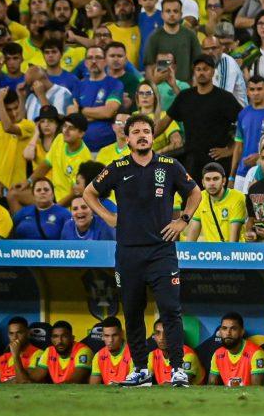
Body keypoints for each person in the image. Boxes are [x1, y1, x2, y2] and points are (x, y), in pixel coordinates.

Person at [85, 114, 202, 387]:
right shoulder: (117, 167)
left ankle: (177, 369)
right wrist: (109, 217)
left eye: (146, 131)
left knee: (171, 310)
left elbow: (195, 193)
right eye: (136, 131)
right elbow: (89, 193)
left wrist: (182, 220)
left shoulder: (169, 165)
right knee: (133, 312)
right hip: (128, 252)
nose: (141, 135)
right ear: (127, 138)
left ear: (152, 136)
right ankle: (140, 369)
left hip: (162, 251)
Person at [159, 54, 242, 186]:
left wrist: (230, 149)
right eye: (198, 69)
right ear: (194, 72)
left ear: (213, 72)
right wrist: (147, 137)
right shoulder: (185, 97)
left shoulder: (225, 98)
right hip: (192, 161)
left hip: (217, 163)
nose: (201, 72)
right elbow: (165, 122)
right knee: (191, 202)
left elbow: (244, 123)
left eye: (205, 69)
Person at [18, 113, 93, 208]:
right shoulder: (59, 139)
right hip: (52, 194)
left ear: (81, 133)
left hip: (68, 206)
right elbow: (46, 164)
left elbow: (75, 193)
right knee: (14, 194)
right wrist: (28, 181)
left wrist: (55, 209)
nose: (66, 130)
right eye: (65, 126)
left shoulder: (84, 160)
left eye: (72, 128)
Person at [230, 76, 264, 191]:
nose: (255, 93)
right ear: (247, 91)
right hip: (242, 171)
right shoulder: (243, 114)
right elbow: (238, 146)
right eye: (252, 89)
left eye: (259, 89)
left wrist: (260, 156)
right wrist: (231, 176)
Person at [67, 46, 123, 152]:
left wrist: (80, 110)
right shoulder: (78, 85)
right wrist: (98, 114)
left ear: (105, 61)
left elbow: (108, 112)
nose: (93, 61)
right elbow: (71, 115)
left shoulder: (115, 84)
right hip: (82, 149)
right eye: (90, 58)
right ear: (85, 62)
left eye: (98, 57)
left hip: (107, 147)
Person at [0, 88, 34, 196]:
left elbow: (8, 127)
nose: (14, 113)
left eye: (16, 108)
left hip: (20, 189)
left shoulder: (28, 126)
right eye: (8, 110)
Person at [144, 0, 202, 83]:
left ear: (181, 15)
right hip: (161, 88)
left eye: (175, 11)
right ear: (162, 14)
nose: (172, 14)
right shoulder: (154, 37)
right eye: (168, 11)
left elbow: (198, 64)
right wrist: (152, 87)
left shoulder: (190, 35)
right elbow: (149, 67)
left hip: (186, 88)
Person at [188, 162, 247, 242]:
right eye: (208, 179)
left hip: (234, 252)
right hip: (211, 252)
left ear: (224, 181)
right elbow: (193, 233)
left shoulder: (237, 197)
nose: (212, 183)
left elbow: (234, 241)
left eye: (216, 179)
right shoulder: (199, 197)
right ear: (203, 182)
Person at [209, 312, 264, 386]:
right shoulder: (217, 355)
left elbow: (257, 390)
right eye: (224, 328)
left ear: (242, 332)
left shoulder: (256, 353)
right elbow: (211, 386)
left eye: (233, 329)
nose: (228, 333)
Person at [148, 318, 204, 386]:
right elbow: (143, 379)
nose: (162, 337)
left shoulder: (187, 355)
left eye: (166, 333)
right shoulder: (153, 355)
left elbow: (180, 384)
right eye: (157, 333)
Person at [0, 316, 43, 384]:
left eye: (19, 333)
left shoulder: (38, 354)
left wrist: (16, 356)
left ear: (28, 333)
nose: (15, 337)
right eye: (11, 333)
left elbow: (24, 381)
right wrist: (14, 381)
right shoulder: (3, 358)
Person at [201, 36, 247, 108]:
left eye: (214, 48)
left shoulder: (227, 64)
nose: (210, 52)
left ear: (221, 49)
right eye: (206, 49)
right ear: (202, 51)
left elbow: (223, 97)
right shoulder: (204, 65)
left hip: (237, 114)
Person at [89, 317, 133, 385]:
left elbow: (134, 387)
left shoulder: (133, 354)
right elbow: (93, 387)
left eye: (114, 335)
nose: (110, 340)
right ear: (103, 336)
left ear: (122, 334)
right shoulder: (98, 356)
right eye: (107, 336)